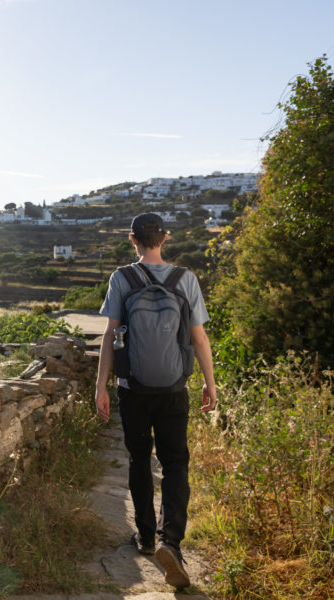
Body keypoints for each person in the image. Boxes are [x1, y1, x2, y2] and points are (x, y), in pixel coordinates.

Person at [95, 213, 218, 589]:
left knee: (138, 458)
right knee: (175, 462)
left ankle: (146, 537)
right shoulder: (186, 280)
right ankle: (172, 543)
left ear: (133, 240)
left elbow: (109, 336)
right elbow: (198, 339)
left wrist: (101, 386)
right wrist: (210, 383)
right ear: (164, 238)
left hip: (132, 387)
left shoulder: (122, 278)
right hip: (173, 389)